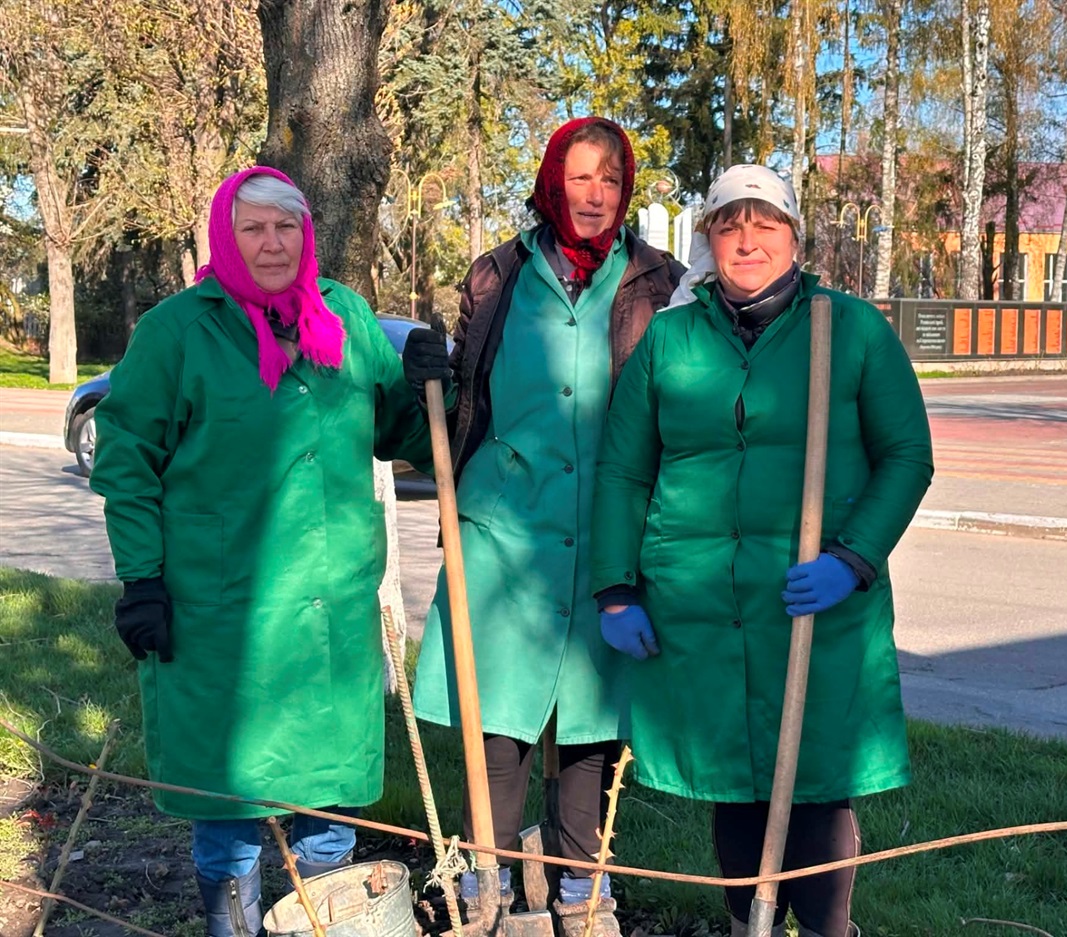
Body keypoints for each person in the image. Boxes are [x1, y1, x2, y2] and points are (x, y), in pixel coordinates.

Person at [90, 166, 436, 937]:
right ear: (226, 235)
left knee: (326, 819)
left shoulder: (342, 315)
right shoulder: (177, 331)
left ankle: (328, 924)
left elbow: (399, 434)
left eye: (287, 227)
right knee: (230, 814)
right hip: (224, 620)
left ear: (305, 234)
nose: (273, 243)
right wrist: (141, 579)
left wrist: (428, 391)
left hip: (328, 617)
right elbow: (125, 460)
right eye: (254, 228)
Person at [589, 165, 933, 937]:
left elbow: (907, 454)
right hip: (702, 603)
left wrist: (853, 557)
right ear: (709, 241)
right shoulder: (669, 340)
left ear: (794, 238)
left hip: (816, 600)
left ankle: (825, 928)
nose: (748, 240)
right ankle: (750, 922)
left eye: (766, 225)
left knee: (816, 782)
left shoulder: (849, 330)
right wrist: (616, 587)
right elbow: (623, 468)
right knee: (734, 785)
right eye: (730, 225)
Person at [401, 116, 683, 930]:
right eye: (579, 176)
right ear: (552, 180)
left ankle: (580, 891)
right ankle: (483, 888)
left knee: (592, 730)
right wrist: (432, 377)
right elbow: (467, 398)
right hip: (502, 529)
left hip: (610, 526)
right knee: (499, 724)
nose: (594, 194)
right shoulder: (496, 275)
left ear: (627, 190)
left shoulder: (656, 281)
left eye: (611, 179)